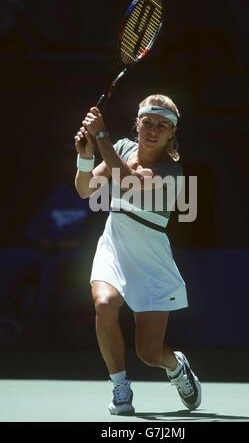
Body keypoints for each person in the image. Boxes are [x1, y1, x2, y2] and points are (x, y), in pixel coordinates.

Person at [74, 94, 202, 415]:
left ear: (172, 133)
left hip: (151, 263)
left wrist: (101, 136)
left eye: (163, 125)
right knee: (104, 304)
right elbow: (85, 189)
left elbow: (127, 182)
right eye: (147, 122)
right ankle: (120, 387)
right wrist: (85, 158)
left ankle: (175, 367)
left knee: (149, 353)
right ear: (137, 123)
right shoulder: (122, 148)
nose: (153, 129)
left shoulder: (171, 171)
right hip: (114, 247)